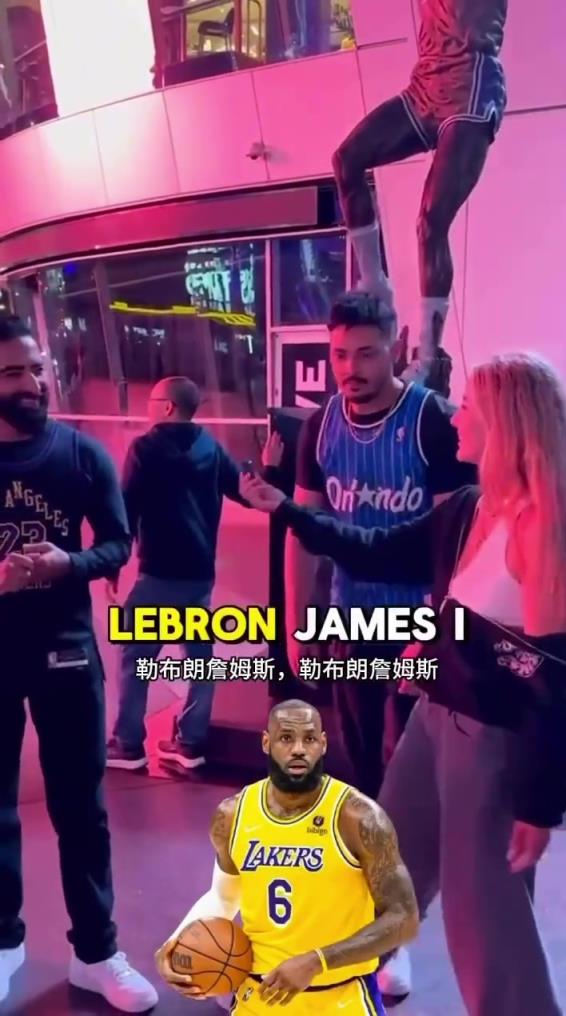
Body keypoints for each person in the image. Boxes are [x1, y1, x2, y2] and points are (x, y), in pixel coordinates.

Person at [240, 352, 566, 1016]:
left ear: (505, 422)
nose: (456, 418)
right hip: (435, 717)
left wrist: (539, 807)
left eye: (469, 406)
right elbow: (377, 549)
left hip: (490, 741)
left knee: (486, 917)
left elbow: (551, 683)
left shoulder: (545, 526)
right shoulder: (474, 508)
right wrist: (288, 510)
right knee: (383, 864)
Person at [0, 315, 157, 1011]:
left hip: (66, 651)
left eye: (36, 368)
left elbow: (119, 544)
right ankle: (3, 945)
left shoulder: (81, 455)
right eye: (12, 373)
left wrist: (69, 563)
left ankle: (96, 953)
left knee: (81, 810)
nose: (32, 384)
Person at [287, 292, 476, 798]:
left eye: (366, 353)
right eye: (340, 355)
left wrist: (437, 636)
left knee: (417, 773)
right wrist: (295, 628)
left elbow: (457, 548)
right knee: (362, 765)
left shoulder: (433, 421)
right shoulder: (320, 427)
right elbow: (302, 534)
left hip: (419, 619)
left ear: (394, 349)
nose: (350, 368)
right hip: (350, 617)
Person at [155, 699, 419, 1014]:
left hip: (340, 996)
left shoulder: (358, 817)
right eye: (286, 738)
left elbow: (404, 918)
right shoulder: (233, 814)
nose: (298, 749)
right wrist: (177, 942)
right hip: (260, 996)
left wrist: (317, 961)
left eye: (309, 738)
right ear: (266, 743)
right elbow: (223, 897)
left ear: (323, 744)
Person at [106, 377, 284, 772]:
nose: (148, 407)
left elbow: (125, 508)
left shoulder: (144, 449)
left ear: (168, 407)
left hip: (158, 575)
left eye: (153, 400)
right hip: (199, 576)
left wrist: (113, 564)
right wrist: (269, 467)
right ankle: (190, 743)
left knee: (134, 659)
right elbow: (248, 494)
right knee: (200, 661)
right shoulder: (210, 446)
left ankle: (128, 745)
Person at [333, 0, 508, 389]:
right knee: (347, 160)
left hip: (471, 85)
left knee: (430, 221)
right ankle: (375, 283)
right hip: (425, 85)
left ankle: (427, 354)